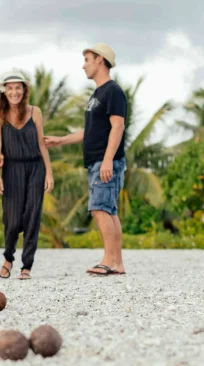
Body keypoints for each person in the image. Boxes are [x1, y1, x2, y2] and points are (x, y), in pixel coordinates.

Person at [45, 43, 127, 275]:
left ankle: (109, 260)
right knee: (109, 210)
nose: (84, 65)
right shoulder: (97, 94)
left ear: (100, 60)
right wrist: (60, 141)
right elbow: (91, 131)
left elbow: (118, 126)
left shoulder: (112, 91)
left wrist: (108, 159)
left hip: (105, 160)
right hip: (98, 160)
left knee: (100, 209)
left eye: (87, 60)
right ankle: (117, 263)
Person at [0, 72, 54, 280]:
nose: (14, 92)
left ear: (24, 91)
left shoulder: (35, 112)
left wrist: (49, 173)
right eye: (10, 88)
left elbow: (42, 144)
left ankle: (26, 266)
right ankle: (8, 257)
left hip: (36, 167)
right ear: (4, 91)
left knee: (32, 216)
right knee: (12, 219)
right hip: (12, 169)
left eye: (18, 88)